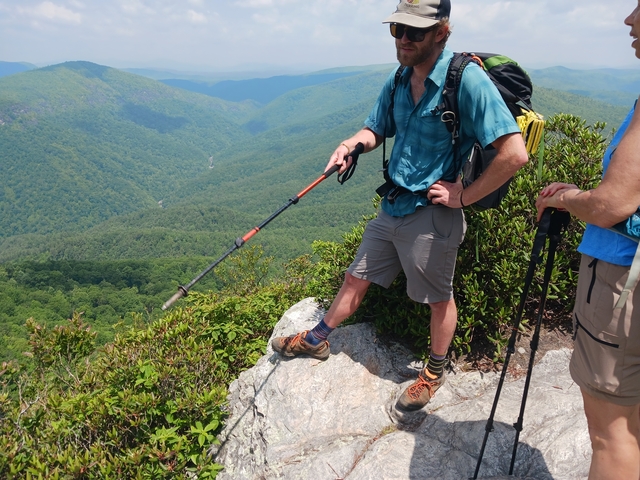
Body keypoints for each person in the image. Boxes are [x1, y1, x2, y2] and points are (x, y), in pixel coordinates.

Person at [272, 0, 528, 412]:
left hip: (432, 215)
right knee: (356, 277)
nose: (404, 40)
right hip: (392, 204)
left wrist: (463, 196)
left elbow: (514, 153)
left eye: (415, 32)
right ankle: (318, 339)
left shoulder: (466, 81)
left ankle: (433, 371)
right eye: (397, 30)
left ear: (442, 32)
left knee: (437, 297)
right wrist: (350, 145)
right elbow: (377, 128)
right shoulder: (399, 79)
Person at [535, 4, 640, 477]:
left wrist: (567, 199)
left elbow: (613, 205)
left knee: (611, 434)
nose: (629, 19)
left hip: (624, 280)